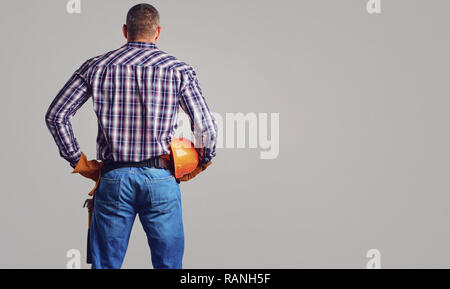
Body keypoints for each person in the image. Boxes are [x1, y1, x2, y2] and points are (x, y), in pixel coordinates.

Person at [45, 3, 218, 269]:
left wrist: (78, 162)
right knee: (169, 266)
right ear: (158, 32)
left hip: (114, 180)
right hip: (161, 180)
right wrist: (203, 160)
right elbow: (205, 125)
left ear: (125, 31)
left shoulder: (96, 66)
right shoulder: (178, 69)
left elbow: (56, 115)